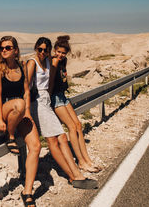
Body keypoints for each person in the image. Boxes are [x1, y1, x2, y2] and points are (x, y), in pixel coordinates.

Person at [27, 37, 98, 189]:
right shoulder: (32, 62)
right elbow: (26, 87)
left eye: (45, 50)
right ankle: (74, 176)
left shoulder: (46, 61)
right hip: (38, 102)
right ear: (36, 48)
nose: (43, 52)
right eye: (40, 49)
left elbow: (50, 83)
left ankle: (77, 173)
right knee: (53, 140)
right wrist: (26, 111)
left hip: (46, 100)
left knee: (63, 138)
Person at [0, 36, 41, 207]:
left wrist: (28, 112)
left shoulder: (21, 67)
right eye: (2, 48)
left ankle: (27, 191)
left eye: (8, 47)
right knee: (18, 104)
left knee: (36, 147)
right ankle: (10, 136)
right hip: (6, 108)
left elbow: (26, 92)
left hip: (21, 111)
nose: (4, 50)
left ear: (15, 50)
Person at [50, 35, 102, 173]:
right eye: (58, 52)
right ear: (54, 50)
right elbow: (49, 83)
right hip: (55, 98)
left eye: (63, 53)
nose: (60, 55)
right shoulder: (53, 61)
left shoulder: (63, 61)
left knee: (78, 125)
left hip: (62, 96)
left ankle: (87, 160)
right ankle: (81, 162)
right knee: (72, 127)